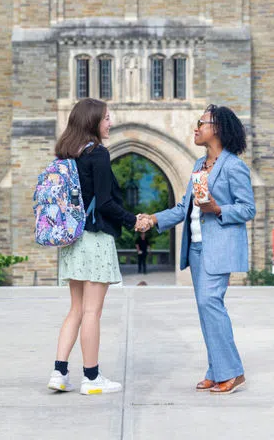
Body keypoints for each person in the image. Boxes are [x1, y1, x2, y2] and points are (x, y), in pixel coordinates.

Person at [141, 104, 256, 395]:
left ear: (217, 129)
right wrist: (154, 219)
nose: (196, 128)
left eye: (201, 123)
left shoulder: (233, 166)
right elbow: (183, 208)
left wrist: (218, 209)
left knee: (211, 306)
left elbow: (247, 208)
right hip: (196, 249)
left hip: (219, 248)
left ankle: (232, 372)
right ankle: (215, 370)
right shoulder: (198, 166)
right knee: (206, 311)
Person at [47, 98, 150, 395]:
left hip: (72, 240)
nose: (111, 121)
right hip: (95, 238)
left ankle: (59, 372)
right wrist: (134, 221)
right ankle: (91, 378)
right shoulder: (99, 154)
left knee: (76, 309)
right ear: (93, 121)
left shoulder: (67, 155)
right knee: (92, 312)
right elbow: (105, 202)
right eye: (106, 117)